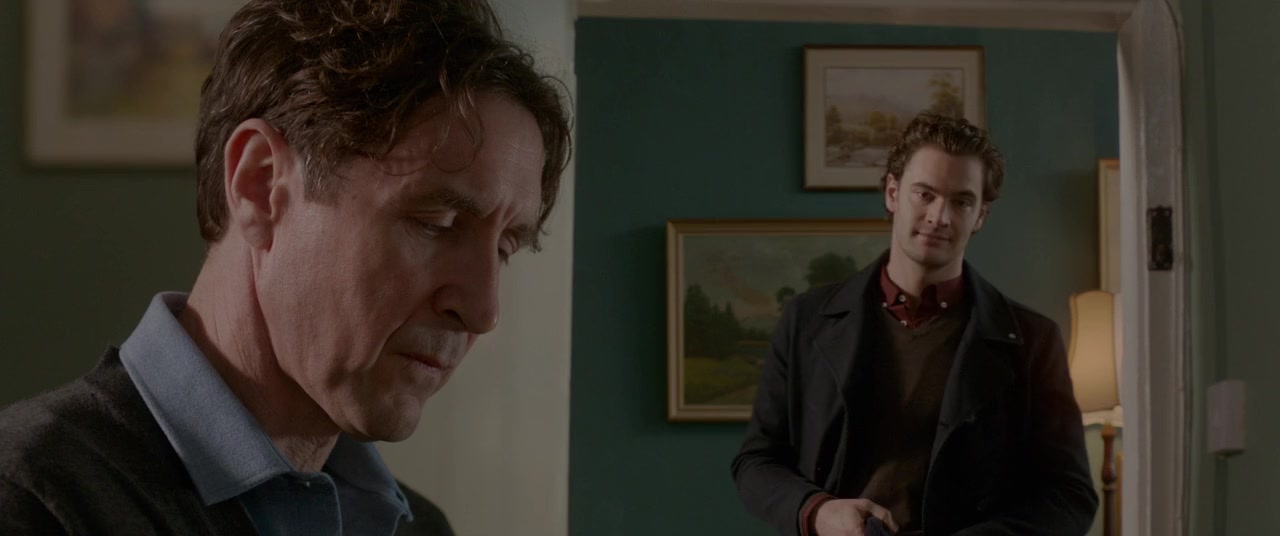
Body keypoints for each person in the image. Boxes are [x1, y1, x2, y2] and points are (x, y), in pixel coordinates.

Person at [0, 0, 571, 534]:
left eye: (505, 248)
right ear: (260, 185)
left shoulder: (418, 526)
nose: (483, 310)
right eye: (436, 223)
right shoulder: (33, 499)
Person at [731, 113, 1097, 536]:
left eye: (961, 202)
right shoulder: (806, 320)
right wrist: (819, 512)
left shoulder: (1033, 340)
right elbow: (756, 463)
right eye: (925, 194)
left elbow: (1070, 495)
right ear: (893, 193)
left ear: (980, 215)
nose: (939, 216)